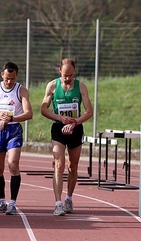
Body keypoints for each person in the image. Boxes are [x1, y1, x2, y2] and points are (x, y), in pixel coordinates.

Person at [41, 58, 93, 216]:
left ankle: (69, 198)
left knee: (73, 166)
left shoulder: (81, 86)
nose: (67, 78)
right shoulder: (52, 86)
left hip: (75, 129)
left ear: (74, 72)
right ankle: (58, 203)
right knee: (59, 163)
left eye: (70, 75)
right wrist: (59, 118)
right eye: (64, 75)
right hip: (58, 128)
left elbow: (89, 111)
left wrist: (75, 122)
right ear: (59, 71)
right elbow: (44, 109)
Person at [0, 62, 33, 215]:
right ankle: (2, 201)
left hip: (13, 130)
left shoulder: (21, 90)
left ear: (16, 76)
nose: (9, 82)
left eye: (12, 78)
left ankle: (13, 202)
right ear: (2, 75)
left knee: (13, 164)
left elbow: (29, 113)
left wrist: (11, 118)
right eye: (7, 78)